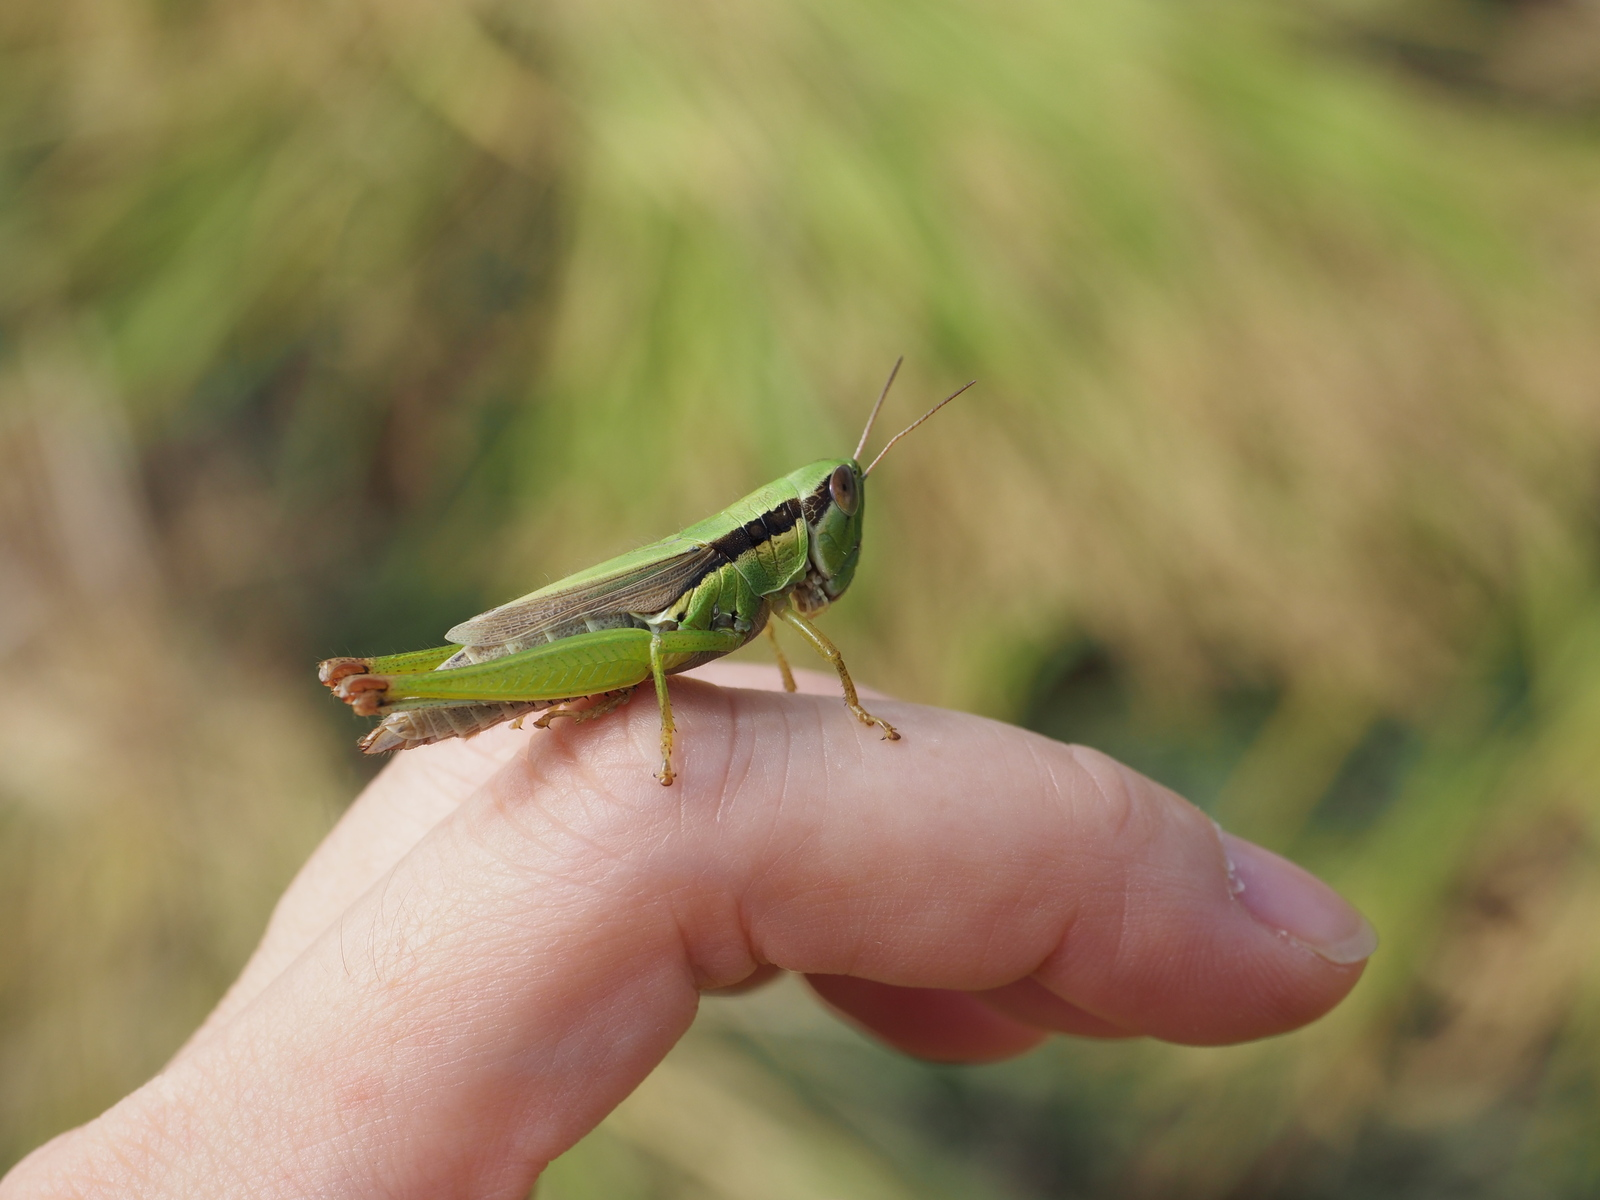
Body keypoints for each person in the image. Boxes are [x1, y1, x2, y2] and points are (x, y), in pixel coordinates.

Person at [0, 663, 1375, 1199]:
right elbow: (674, 640)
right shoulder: (732, 586)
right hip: (587, 638)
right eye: (828, 507)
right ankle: (408, 684)